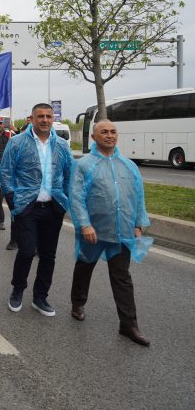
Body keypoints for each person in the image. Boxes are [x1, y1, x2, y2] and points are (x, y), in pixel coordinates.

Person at [69, 121, 151, 346]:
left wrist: (138, 223)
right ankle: (78, 302)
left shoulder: (129, 165)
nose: (109, 135)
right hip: (93, 232)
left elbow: (138, 195)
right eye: (103, 132)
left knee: (122, 277)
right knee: (85, 267)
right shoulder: (84, 165)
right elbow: (76, 197)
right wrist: (85, 224)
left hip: (121, 231)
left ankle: (129, 325)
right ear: (94, 137)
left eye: (113, 132)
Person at [0, 103, 72, 317]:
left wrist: (65, 200)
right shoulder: (17, 142)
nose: (45, 120)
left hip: (53, 207)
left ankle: (40, 297)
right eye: (40, 116)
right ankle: (18, 289)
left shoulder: (61, 145)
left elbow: (69, 174)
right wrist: (14, 203)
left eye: (49, 116)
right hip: (26, 207)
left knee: (48, 255)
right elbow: (5, 174)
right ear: (31, 118)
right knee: (27, 251)